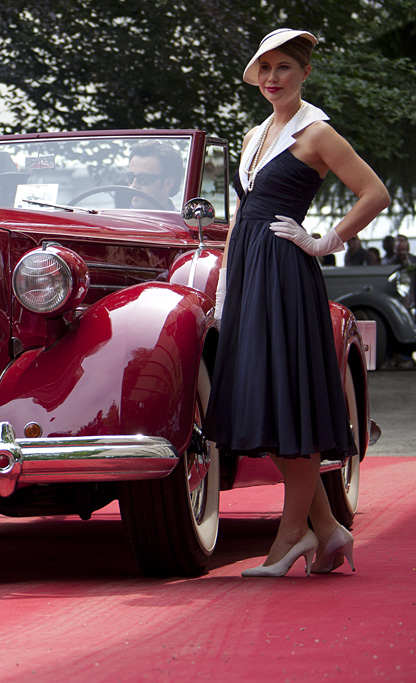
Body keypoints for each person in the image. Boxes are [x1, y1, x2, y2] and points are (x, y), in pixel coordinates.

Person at [207, 29, 390, 578]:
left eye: (284, 67)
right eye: (264, 68)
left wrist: (323, 242)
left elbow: (374, 192)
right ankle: (328, 528)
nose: (271, 78)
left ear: (304, 72)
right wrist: (222, 285)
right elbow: (240, 217)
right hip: (247, 269)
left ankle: (293, 536)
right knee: (267, 398)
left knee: (289, 394)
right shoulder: (254, 134)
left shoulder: (316, 131)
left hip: (287, 271)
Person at [126, 141, 184, 210]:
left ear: (168, 183)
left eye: (144, 179)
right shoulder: (114, 218)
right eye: (130, 177)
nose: (133, 186)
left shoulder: (181, 221)